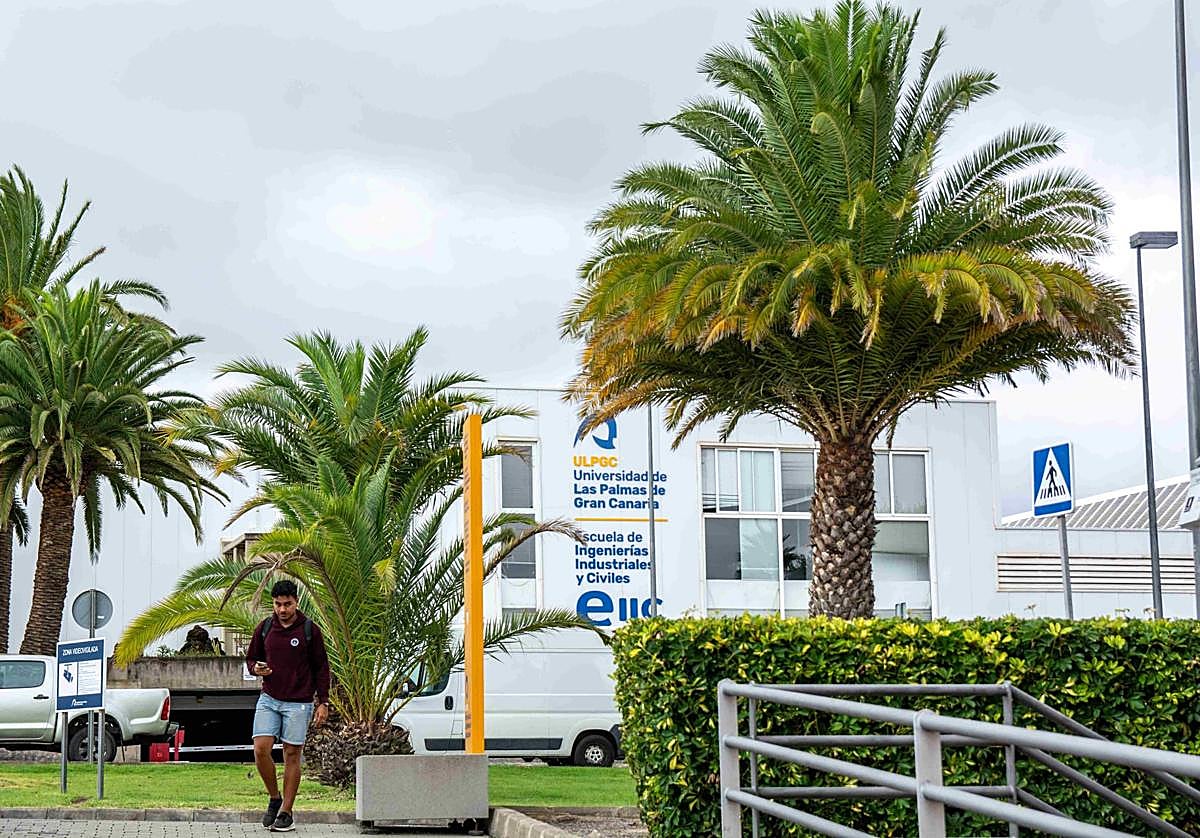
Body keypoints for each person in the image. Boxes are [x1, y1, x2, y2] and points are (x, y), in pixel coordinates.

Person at [246, 579, 331, 833]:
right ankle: (275, 798)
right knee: (260, 749)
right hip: (269, 698)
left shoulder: (309, 630)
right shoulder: (265, 628)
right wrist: (256, 668)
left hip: (299, 703)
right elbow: (251, 659)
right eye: (278, 604)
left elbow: (321, 667)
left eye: (287, 604)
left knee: (292, 754)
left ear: (296, 602)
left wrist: (323, 702)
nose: (282, 609)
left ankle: (286, 812)